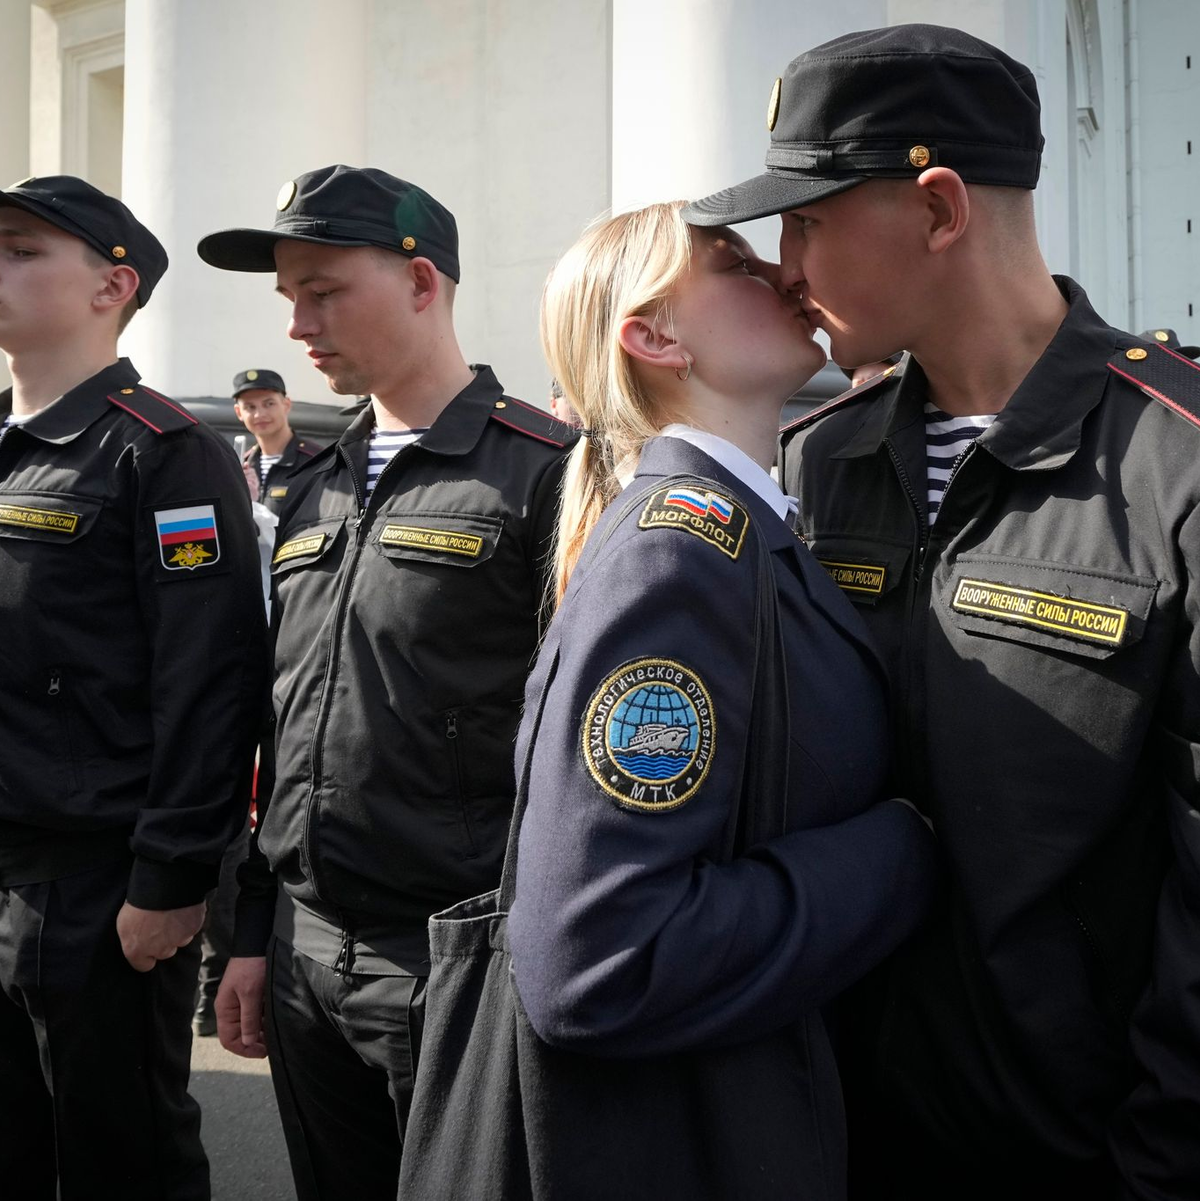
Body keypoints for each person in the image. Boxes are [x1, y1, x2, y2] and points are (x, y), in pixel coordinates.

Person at [685, 23, 1200, 1199]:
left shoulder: (1176, 470)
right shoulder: (808, 463)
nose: (782, 265)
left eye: (807, 218)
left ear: (939, 208)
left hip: (1071, 1154)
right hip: (815, 1127)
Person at [505, 202, 936, 1195]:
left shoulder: (739, 527)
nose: (787, 275)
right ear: (656, 338)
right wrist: (905, 847)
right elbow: (600, 954)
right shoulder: (680, 556)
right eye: (733, 263)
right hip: (694, 1138)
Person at [196, 164, 576, 1201]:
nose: (299, 325)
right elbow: (286, 715)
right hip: (305, 950)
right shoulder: (315, 484)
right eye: (289, 298)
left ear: (421, 282)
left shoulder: (548, 472)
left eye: (324, 291)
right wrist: (251, 935)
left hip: (462, 957)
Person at [0, 175, 266, 1199]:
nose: (2, 268)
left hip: (96, 882)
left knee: (121, 1155)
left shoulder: (161, 454)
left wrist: (170, 877)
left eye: (25, 250)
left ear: (113, 286)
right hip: (7, 860)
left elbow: (209, 681)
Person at [231, 367, 322, 514]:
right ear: (238, 412)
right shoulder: (241, 466)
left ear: (286, 404)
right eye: (250, 407)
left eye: (269, 404)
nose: (259, 414)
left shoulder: (316, 461)